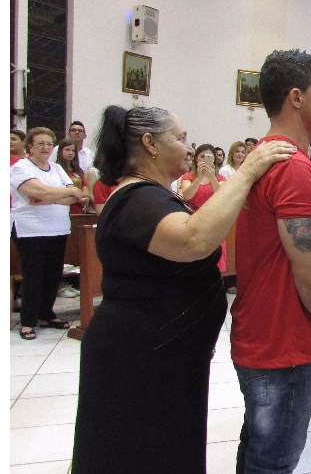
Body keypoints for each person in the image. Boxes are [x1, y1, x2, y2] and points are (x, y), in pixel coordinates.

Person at [71, 105, 295, 474]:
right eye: (180, 138)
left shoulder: (151, 194)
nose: (189, 148)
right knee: (139, 451)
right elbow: (194, 240)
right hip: (140, 357)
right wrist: (250, 170)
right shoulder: (136, 198)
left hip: (163, 353)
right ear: (150, 144)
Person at [231, 49, 311, 474]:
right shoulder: (292, 167)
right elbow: (308, 262)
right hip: (282, 338)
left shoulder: (267, 155)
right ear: (297, 98)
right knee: (273, 460)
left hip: (262, 331)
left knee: (259, 451)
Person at [11, 127, 86, 340]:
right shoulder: (21, 167)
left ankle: (46, 313)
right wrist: (55, 194)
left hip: (58, 228)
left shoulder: (57, 168)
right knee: (33, 275)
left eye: (48, 144)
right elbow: (36, 191)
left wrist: (46, 197)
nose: (45, 147)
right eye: (40, 143)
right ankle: (28, 321)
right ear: (30, 147)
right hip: (30, 230)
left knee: (53, 274)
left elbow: (76, 195)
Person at [181, 144, 228, 271]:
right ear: (196, 158)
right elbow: (187, 195)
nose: (204, 159)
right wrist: (199, 178)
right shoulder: (188, 177)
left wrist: (212, 177)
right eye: (202, 156)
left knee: (215, 260)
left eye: (208, 156)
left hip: (213, 221)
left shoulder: (220, 178)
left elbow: (222, 196)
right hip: (193, 219)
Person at [55, 137, 91, 214]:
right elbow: (58, 192)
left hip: (80, 209)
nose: (71, 153)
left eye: (73, 151)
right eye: (67, 150)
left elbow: (86, 191)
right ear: (60, 151)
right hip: (63, 208)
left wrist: (81, 198)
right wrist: (77, 199)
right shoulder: (55, 169)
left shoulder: (79, 170)